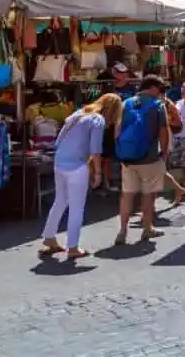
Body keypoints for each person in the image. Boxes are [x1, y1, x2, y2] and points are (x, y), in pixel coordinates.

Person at [39, 93, 122, 258]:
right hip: (77, 165)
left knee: (60, 201)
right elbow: (95, 149)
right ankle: (73, 247)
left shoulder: (78, 113)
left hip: (60, 161)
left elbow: (59, 140)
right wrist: (98, 172)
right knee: (77, 207)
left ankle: (49, 237)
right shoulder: (98, 120)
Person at [115, 76, 171, 245]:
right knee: (149, 195)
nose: (160, 94)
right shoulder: (158, 106)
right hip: (149, 157)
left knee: (127, 195)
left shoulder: (126, 104)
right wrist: (165, 152)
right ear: (153, 88)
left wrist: (121, 151)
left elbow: (117, 130)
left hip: (128, 158)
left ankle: (123, 231)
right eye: (159, 90)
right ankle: (147, 228)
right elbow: (163, 132)